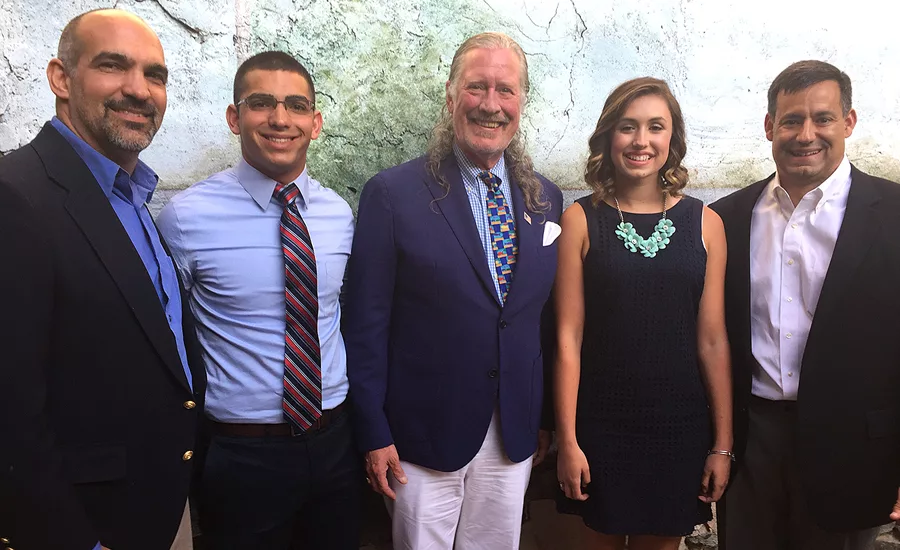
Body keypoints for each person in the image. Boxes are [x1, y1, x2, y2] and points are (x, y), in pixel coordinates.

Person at [343, 32, 562, 549]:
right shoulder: (393, 194)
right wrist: (373, 431)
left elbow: (544, 321)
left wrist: (545, 418)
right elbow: (365, 324)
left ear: (522, 101)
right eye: (476, 87)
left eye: (506, 90)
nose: (491, 105)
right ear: (450, 96)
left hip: (513, 433)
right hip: (420, 434)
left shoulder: (546, 198)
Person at [0, 9, 205, 550]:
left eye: (154, 74)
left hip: (158, 508)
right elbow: (10, 411)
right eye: (113, 66)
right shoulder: (15, 196)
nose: (139, 90)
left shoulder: (133, 198)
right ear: (60, 79)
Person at [157, 51, 359, 550]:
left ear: (315, 124)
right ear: (235, 117)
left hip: (335, 443)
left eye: (295, 105)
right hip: (241, 456)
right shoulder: (185, 219)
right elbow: (165, 338)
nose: (279, 118)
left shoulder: (338, 214)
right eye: (261, 103)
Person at [711, 60, 900, 550]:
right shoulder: (725, 219)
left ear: (849, 123)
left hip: (854, 451)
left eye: (823, 118)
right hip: (751, 446)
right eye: (792, 120)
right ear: (770, 126)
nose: (806, 134)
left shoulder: (894, 217)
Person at [554, 77, 733, 550]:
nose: (641, 141)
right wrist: (567, 440)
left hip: (678, 430)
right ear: (608, 137)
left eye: (656, 127)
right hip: (600, 428)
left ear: (671, 140)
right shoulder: (580, 219)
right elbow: (568, 338)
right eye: (627, 127)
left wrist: (721, 445)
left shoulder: (706, 224)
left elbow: (713, 341)